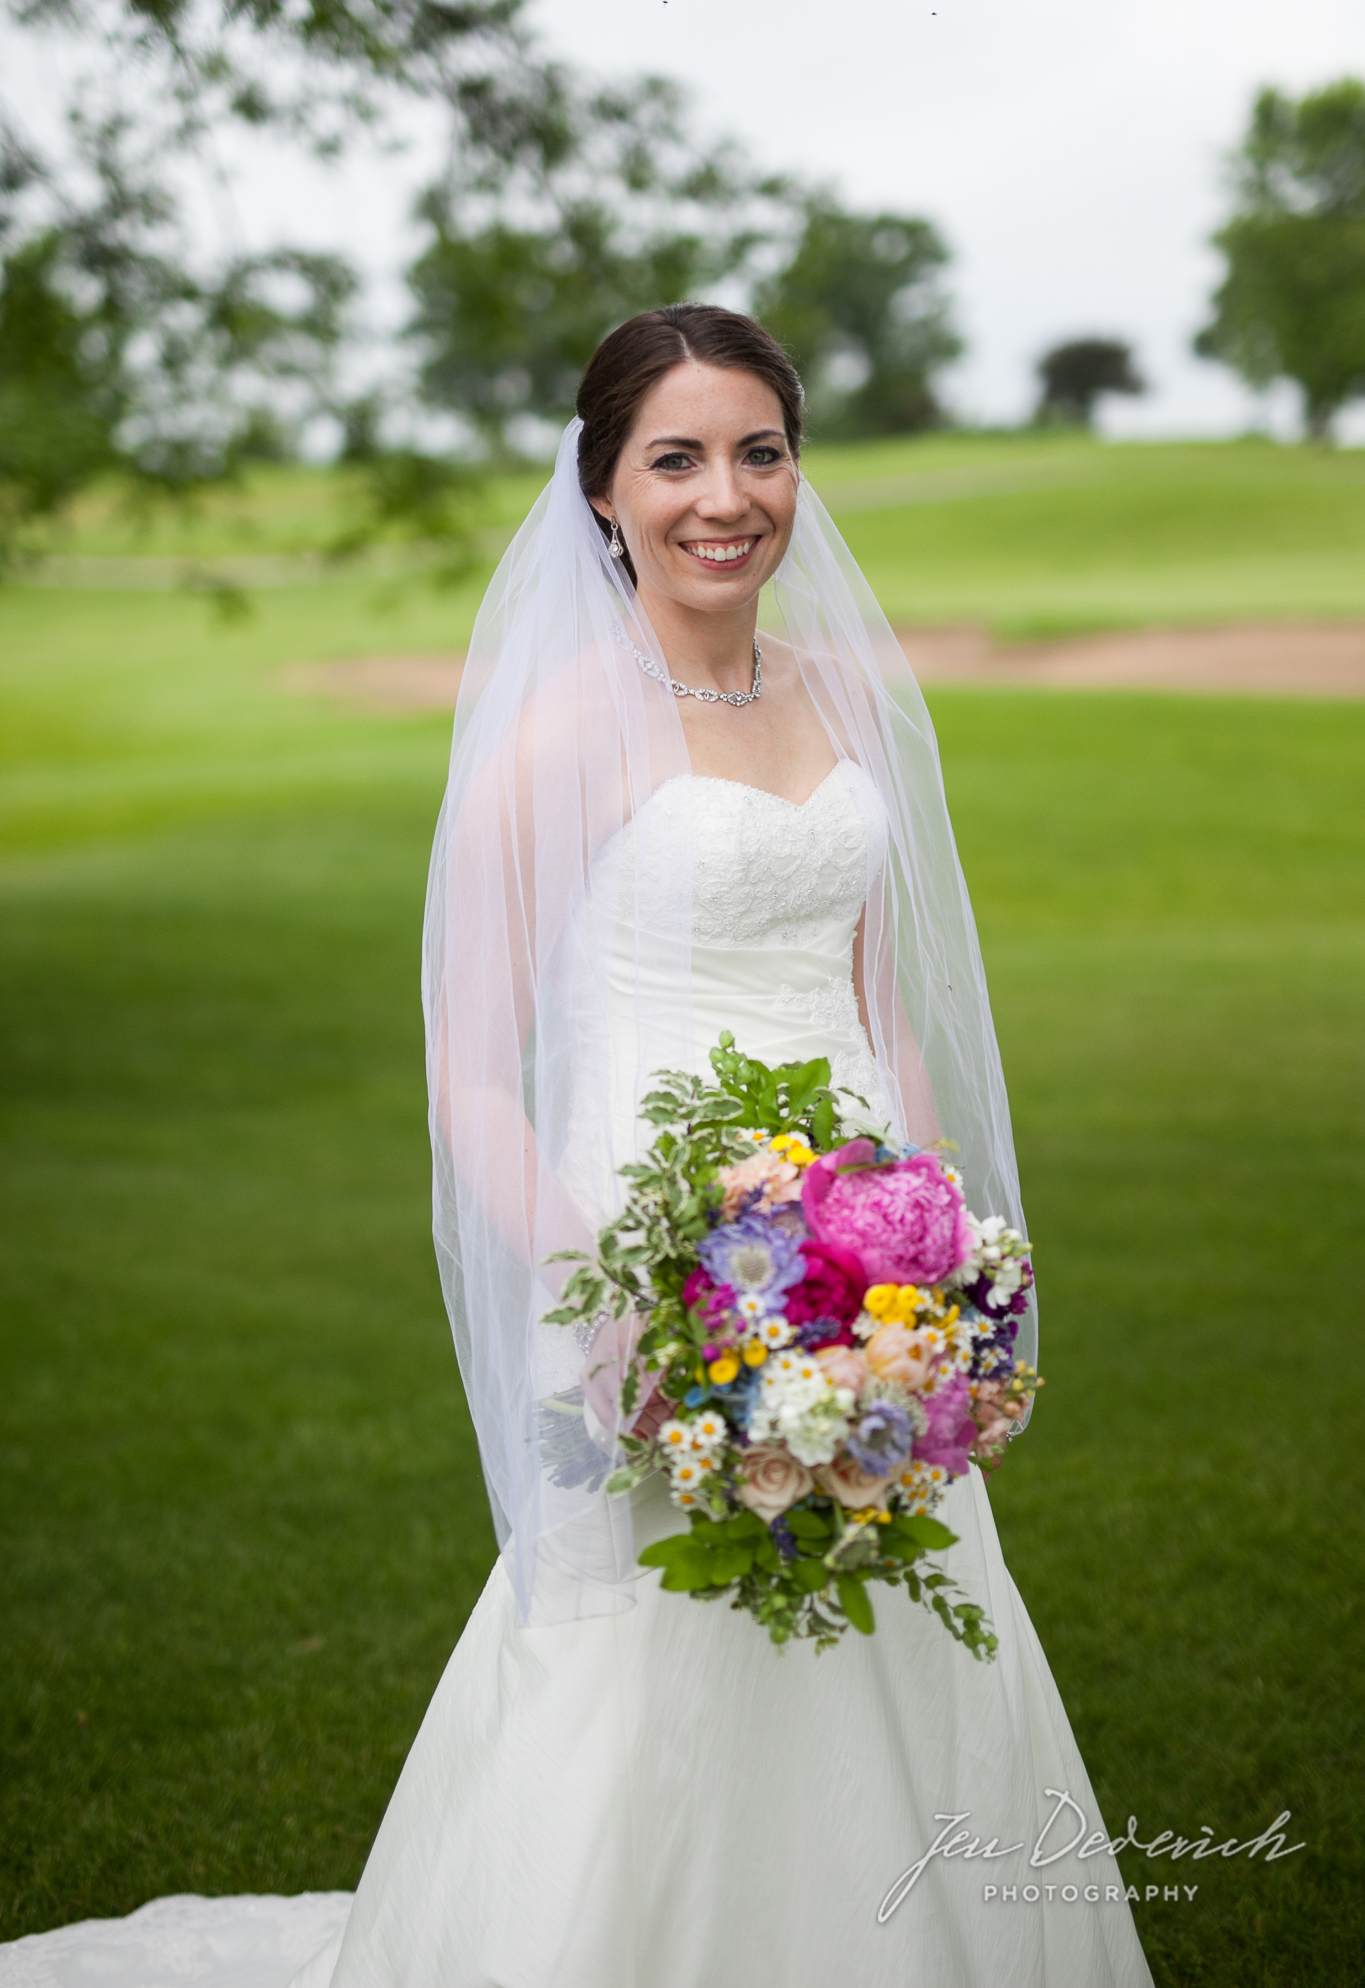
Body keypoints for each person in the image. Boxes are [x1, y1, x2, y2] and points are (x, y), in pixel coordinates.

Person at [0, 305, 1152, 1988]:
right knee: (644, 1650)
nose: (723, 495)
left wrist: (926, 1237)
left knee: (897, 1603)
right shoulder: (557, 730)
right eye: (672, 457)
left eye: (758, 450)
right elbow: (468, 1071)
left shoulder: (841, 697)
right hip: (645, 1254)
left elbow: (878, 1000)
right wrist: (605, 1292)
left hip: (860, 1269)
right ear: (602, 491)